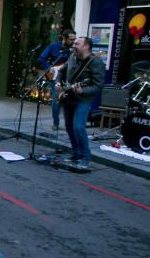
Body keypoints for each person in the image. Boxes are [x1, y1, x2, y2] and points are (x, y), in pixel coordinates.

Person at [54, 36, 105, 170]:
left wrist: (83, 91)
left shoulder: (96, 63)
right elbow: (61, 71)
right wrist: (58, 82)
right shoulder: (72, 57)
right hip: (68, 96)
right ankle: (76, 153)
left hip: (83, 99)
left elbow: (98, 86)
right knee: (69, 126)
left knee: (78, 127)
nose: (74, 45)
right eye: (74, 43)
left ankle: (86, 157)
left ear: (86, 46)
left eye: (77, 43)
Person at [38, 29, 76, 132]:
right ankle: (56, 123)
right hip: (55, 76)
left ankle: (69, 124)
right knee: (56, 101)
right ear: (64, 38)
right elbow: (41, 58)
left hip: (69, 78)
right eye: (71, 39)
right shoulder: (54, 46)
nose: (73, 41)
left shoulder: (73, 49)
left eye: (74, 39)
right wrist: (49, 67)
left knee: (68, 102)